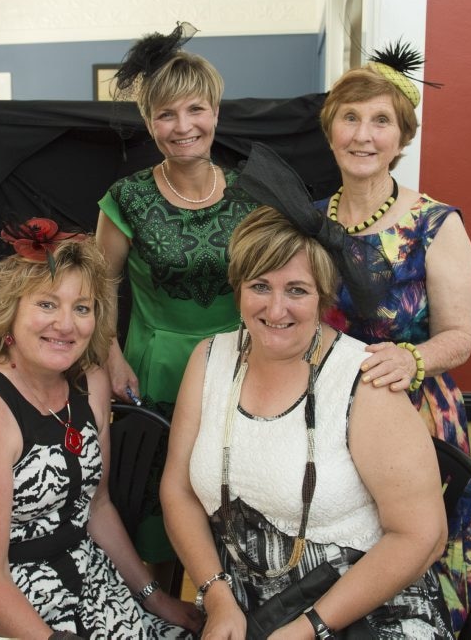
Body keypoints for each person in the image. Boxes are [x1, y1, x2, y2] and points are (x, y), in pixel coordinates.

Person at [162, 193, 454, 638]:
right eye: (260, 286)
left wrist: (310, 626)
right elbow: (178, 490)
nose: (275, 310)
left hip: (368, 609)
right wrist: (217, 595)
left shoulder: (365, 381)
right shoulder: (208, 360)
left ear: (323, 297)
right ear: (237, 286)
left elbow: (422, 535)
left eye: (296, 290)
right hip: (245, 608)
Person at [0, 221, 202, 638]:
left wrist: (154, 597)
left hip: (89, 587)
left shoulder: (91, 383)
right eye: (47, 305)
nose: (66, 325)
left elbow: (97, 508)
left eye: (82, 308)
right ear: (11, 312)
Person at [312, 41, 471, 632]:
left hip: (415, 418)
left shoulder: (436, 224)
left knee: (409, 565)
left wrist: (410, 359)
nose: (363, 134)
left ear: (401, 137)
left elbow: (461, 336)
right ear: (331, 129)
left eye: (381, 120)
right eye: (351, 117)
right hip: (326, 419)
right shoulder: (307, 221)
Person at [96, 22, 258, 568]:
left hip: (241, 371)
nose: (183, 126)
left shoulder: (253, 195)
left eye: (195, 110)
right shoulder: (127, 197)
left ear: (216, 111)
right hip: (156, 370)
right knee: (157, 516)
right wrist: (111, 355)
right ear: (149, 122)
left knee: (235, 515)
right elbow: (101, 284)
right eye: (166, 114)